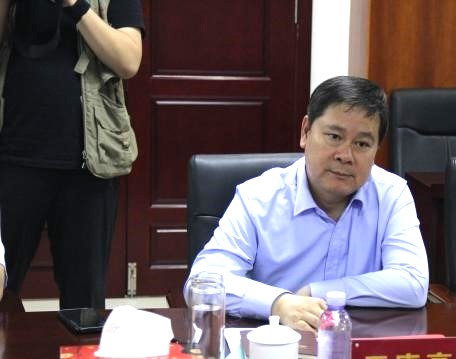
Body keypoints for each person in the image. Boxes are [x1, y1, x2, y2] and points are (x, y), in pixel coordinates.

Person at [185, 76, 429, 332]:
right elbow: (201, 283)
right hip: (274, 346)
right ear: (305, 132)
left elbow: (413, 283)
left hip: (356, 344)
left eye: (362, 144)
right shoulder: (258, 197)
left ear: (376, 148)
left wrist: (319, 291)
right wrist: (278, 303)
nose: (345, 156)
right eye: (334, 136)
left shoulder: (392, 195)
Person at [0, 0, 144, 309]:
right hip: (12, 160)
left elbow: (129, 60)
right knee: (2, 289)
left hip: (88, 165)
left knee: (83, 304)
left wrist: (75, 5)